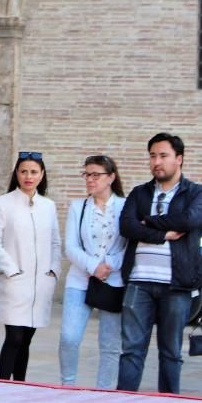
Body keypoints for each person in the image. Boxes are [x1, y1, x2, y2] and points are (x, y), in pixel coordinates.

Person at [117, 133, 202, 394]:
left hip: (176, 283)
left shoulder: (197, 193)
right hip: (138, 282)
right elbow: (127, 226)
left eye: (163, 155)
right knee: (131, 349)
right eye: (153, 156)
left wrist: (150, 222)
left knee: (170, 351)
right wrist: (163, 234)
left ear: (179, 159)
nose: (157, 161)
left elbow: (190, 220)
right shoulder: (139, 193)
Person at [0, 151, 61, 382]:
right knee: (14, 337)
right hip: (14, 282)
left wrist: (54, 270)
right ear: (17, 174)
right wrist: (11, 269)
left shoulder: (48, 206)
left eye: (34, 172)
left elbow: (55, 242)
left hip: (41, 283)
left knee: (27, 338)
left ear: (42, 175)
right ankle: (3, 384)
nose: (28, 176)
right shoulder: (3, 203)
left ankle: (20, 384)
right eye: (23, 171)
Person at [58, 155, 127, 389]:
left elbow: (130, 246)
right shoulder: (79, 207)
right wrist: (93, 266)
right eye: (87, 174)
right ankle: (67, 385)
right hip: (80, 279)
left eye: (96, 174)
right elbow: (71, 246)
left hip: (113, 280)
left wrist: (109, 265)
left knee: (110, 344)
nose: (90, 179)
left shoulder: (125, 206)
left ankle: (104, 391)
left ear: (111, 177)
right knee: (69, 337)